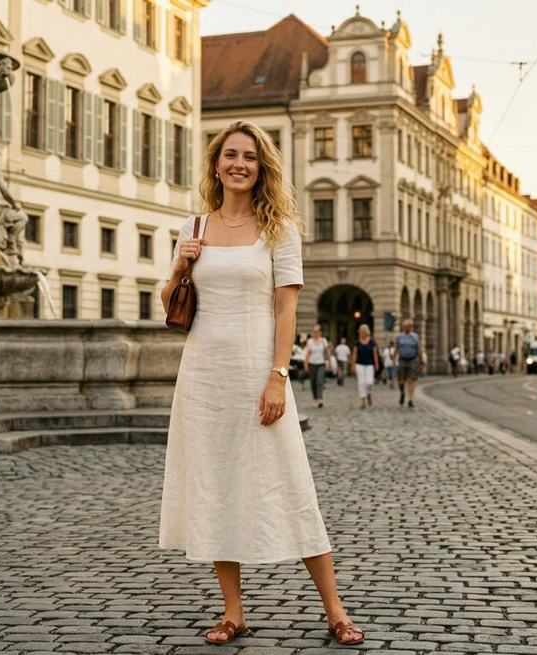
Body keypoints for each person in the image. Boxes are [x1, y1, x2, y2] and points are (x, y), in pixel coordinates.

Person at [158, 121, 364, 647]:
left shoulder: (280, 230)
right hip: (203, 374)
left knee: (290, 483)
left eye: (250, 157)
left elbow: (286, 308)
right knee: (214, 486)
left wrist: (278, 376)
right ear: (216, 163)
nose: (239, 164)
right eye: (231, 155)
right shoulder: (195, 225)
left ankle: (335, 610)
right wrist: (182, 264)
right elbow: (170, 303)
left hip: (257, 370)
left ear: (262, 166)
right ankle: (233, 612)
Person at [302, 324, 331, 408]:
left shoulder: (323, 340)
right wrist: (306, 364)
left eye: (316, 331)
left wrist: (329, 363)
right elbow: (308, 353)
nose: (314, 333)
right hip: (312, 364)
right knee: (313, 382)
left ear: (320, 332)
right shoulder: (310, 341)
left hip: (321, 363)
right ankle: (315, 398)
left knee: (320, 381)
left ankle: (320, 399)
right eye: (313, 331)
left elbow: (328, 352)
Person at [353, 324, 380, 409]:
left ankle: (369, 394)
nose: (361, 333)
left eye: (363, 332)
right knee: (361, 382)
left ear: (367, 332)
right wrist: (353, 365)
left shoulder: (372, 342)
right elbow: (354, 354)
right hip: (359, 364)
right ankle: (363, 401)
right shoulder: (357, 342)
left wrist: (376, 363)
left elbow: (375, 353)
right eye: (360, 332)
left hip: (369, 364)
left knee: (369, 382)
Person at [395, 319, 421, 407]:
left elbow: (419, 349)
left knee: (411, 380)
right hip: (402, 360)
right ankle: (402, 393)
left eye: (407, 326)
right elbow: (396, 349)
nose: (405, 328)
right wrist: (394, 360)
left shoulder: (415, 337)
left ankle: (410, 399)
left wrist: (421, 362)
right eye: (404, 326)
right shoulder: (399, 337)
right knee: (401, 382)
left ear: (410, 327)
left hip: (412, 360)